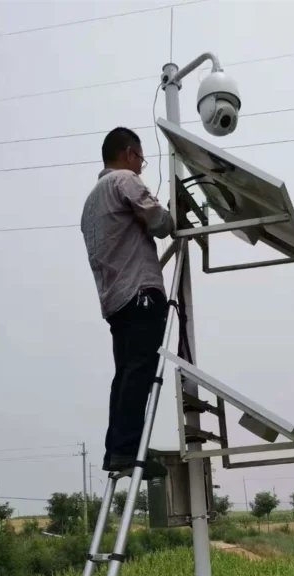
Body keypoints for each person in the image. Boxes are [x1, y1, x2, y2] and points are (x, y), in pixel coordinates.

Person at [81, 127, 174, 478]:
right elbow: (159, 222)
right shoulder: (124, 181)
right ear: (130, 153)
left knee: (125, 375)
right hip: (139, 293)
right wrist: (173, 217)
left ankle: (118, 450)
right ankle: (126, 452)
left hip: (115, 300)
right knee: (138, 373)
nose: (141, 168)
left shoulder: (90, 201)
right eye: (141, 160)